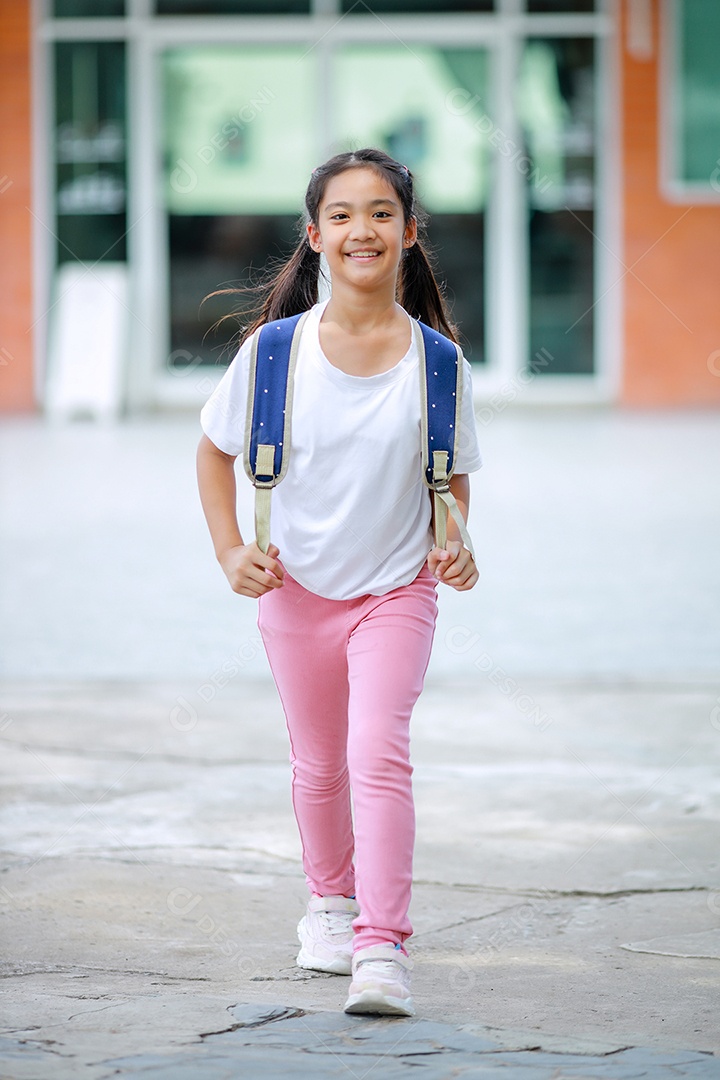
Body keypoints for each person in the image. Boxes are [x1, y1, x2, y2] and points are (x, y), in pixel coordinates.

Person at [196, 147, 482, 1018]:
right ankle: (330, 900)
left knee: (376, 752)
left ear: (409, 233)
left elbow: (451, 477)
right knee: (319, 764)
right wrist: (228, 549)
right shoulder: (274, 354)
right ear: (316, 235)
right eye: (346, 214)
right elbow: (215, 451)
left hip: (396, 590)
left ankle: (382, 945)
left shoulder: (438, 363)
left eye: (383, 213)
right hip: (295, 589)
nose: (365, 229)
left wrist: (456, 545)